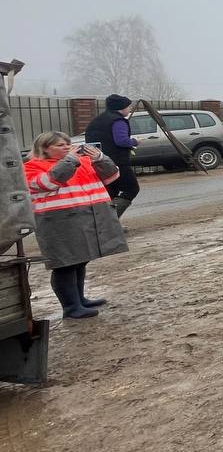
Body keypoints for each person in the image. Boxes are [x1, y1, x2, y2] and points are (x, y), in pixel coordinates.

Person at [23, 132, 127, 319]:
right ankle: (71, 307)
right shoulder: (31, 167)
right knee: (65, 264)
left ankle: (80, 299)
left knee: (80, 260)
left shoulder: (82, 162)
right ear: (44, 148)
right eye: (59, 145)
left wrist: (100, 158)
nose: (66, 147)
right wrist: (70, 160)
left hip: (87, 216)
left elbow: (112, 176)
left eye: (67, 144)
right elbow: (48, 183)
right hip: (58, 222)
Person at [84, 94, 139, 219]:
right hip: (117, 162)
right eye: (128, 106)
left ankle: (103, 223)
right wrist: (135, 142)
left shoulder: (96, 121)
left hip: (98, 162)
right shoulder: (118, 121)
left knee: (110, 192)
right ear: (120, 107)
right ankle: (109, 222)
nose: (129, 109)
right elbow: (122, 141)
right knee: (131, 189)